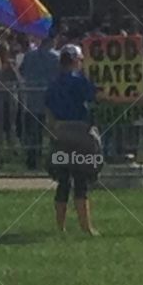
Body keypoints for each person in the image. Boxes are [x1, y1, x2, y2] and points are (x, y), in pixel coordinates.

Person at [44, 45, 101, 236]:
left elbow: (49, 110)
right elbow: (96, 97)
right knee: (81, 178)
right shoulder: (79, 81)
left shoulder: (54, 82)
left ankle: (61, 226)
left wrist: (53, 130)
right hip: (80, 132)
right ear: (76, 60)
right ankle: (86, 226)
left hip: (60, 131)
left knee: (63, 180)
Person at [20, 35, 60, 170]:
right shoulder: (56, 57)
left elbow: (22, 72)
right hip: (51, 101)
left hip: (32, 99)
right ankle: (54, 160)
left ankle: (32, 160)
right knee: (54, 133)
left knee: (33, 133)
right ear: (53, 41)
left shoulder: (29, 56)